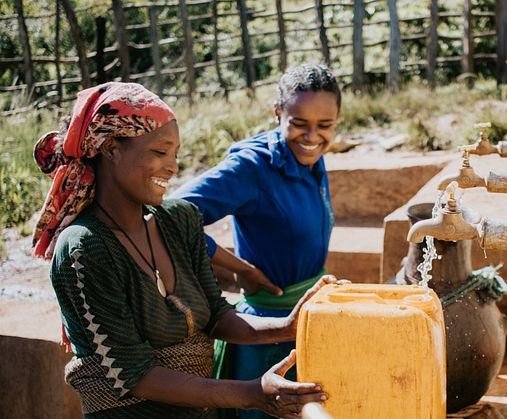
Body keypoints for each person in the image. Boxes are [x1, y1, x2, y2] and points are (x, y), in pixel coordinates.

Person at [32, 82, 336, 419]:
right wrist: (252, 393)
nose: (173, 166)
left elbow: (219, 316)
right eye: (160, 152)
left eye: (175, 153)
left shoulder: (178, 220)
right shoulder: (84, 247)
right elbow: (135, 375)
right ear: (111, 149)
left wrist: (289, 326)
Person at [172, 64, 340, 419]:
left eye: (324, 126)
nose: (312, 137)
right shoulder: (253, 167)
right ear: (278, 113)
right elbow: (170, 215)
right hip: (266, 334)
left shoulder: (309, 159)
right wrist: (239, 267)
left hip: (307, 326)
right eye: (298, 123)